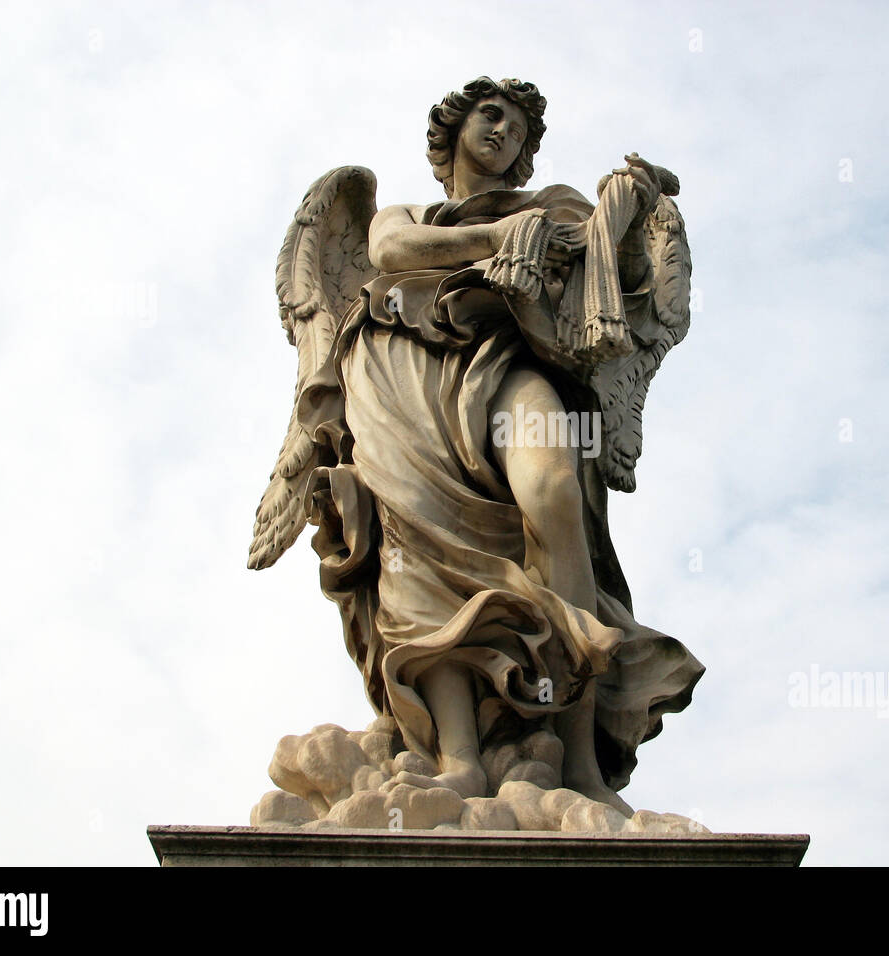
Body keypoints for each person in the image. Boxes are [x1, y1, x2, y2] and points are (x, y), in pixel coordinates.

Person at [298, 76, 701, 813]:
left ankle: (577, 752)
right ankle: (457, 758)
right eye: (491, 116)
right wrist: (497, 239)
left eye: (517, 129)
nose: (504, 134)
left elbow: (610, 280)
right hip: (402, 372)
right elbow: (391, 249)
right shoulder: (406, 211)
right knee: (420, 547)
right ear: (451, 132)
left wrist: (629, 213)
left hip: (508, 359)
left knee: (553, 496)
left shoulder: (551, 209)